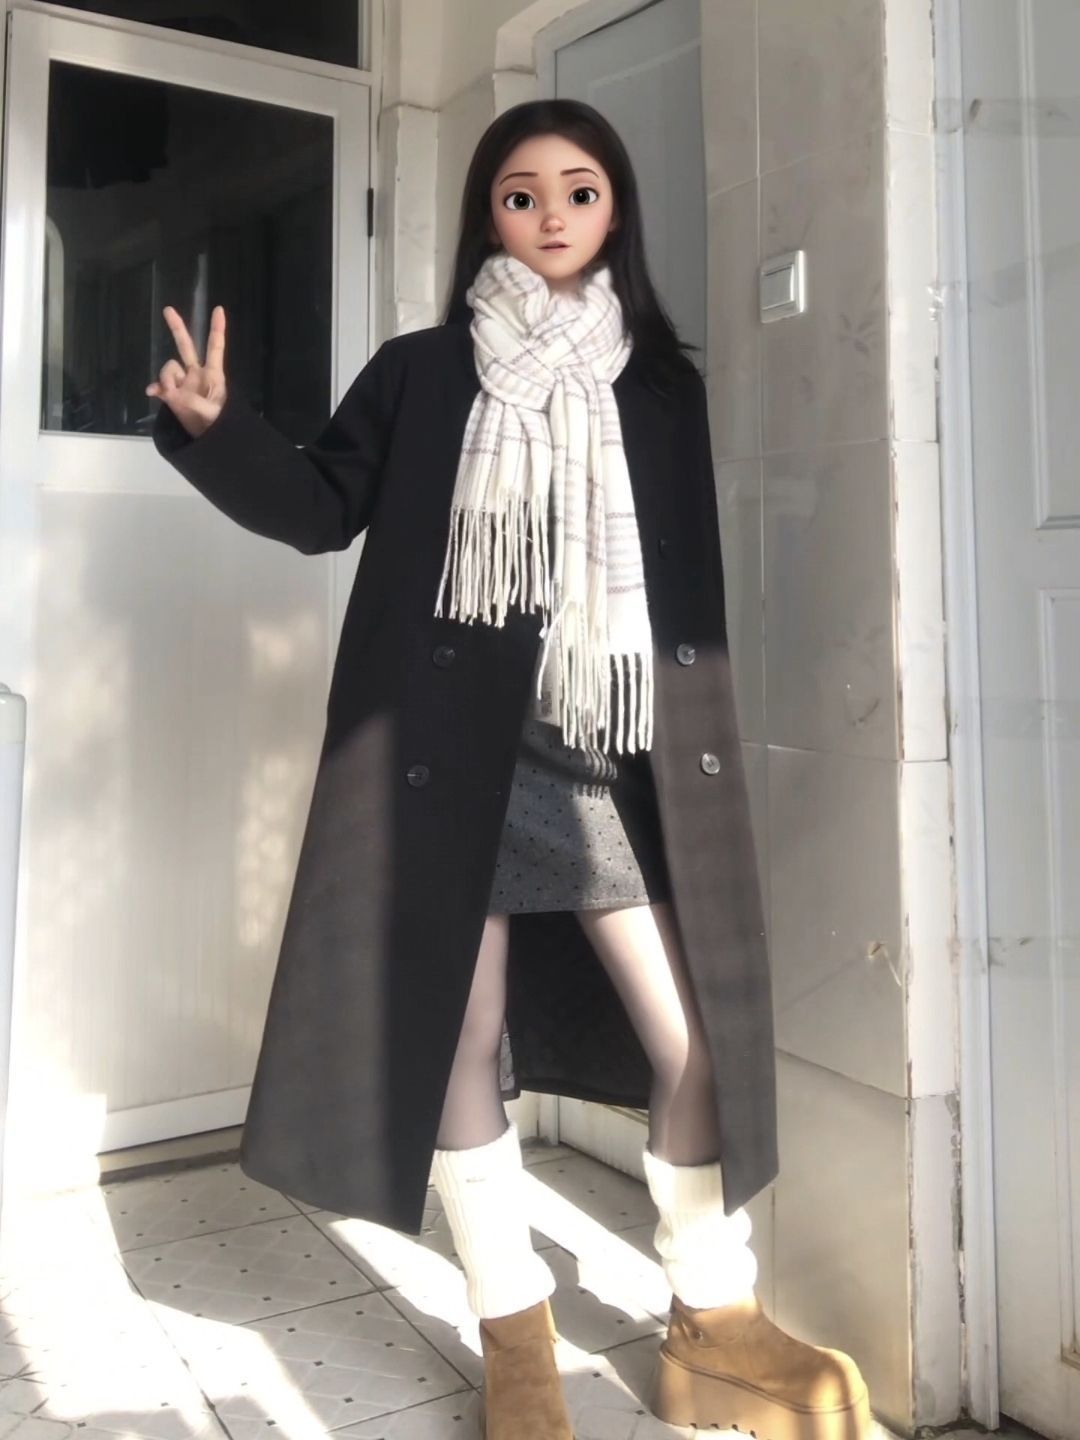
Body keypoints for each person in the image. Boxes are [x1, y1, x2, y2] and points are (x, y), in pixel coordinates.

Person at [147, 99, 871, 1440]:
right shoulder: (424, 373)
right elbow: (319, 509)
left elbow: (685, 590)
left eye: (579, 190)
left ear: (615, 210)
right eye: (521, 193)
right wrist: (217, 430)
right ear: (488, 213)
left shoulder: (661, 384)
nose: (551, 215)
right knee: (460, 1035)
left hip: (606, 751)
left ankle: (712, 1322)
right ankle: (516, 1331)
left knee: (695, 1040)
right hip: (450, 758)